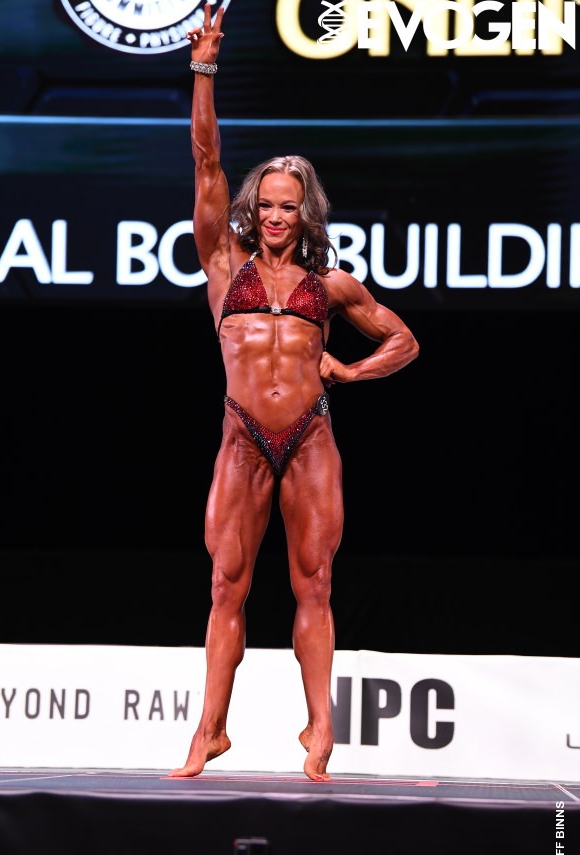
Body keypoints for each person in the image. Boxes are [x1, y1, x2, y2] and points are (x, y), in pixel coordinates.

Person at [169, 3, 419, 782]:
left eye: (288, 206)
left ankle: (320, 730)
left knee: (315, 584)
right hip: (243, 437)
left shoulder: (329, 284)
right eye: (266, 204)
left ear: (303, 214)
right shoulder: (223, 264)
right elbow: (207, 162)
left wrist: (350, 372)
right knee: (226, 585)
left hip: (310, 436)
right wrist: (204, 70)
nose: (274, 216)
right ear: (251, 209)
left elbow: (404, 340)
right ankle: (209, 732)